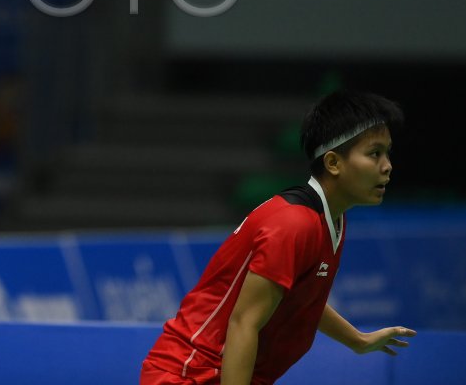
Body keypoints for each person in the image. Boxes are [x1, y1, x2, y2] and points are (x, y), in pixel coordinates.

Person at [140, 91, 416, 385]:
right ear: (333, 163)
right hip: (190, 374)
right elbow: (244, 322)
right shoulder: (293, 224)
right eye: (374, 154)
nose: (387, 165)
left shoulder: (331, 218)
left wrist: (358, 340)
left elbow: (301, 296)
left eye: (387, 153)